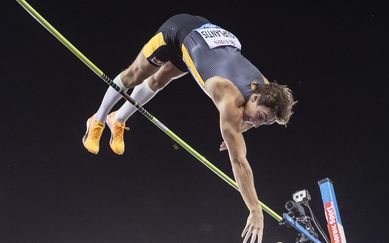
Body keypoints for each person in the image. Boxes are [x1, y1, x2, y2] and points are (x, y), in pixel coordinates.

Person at [82, 14, 296, 243]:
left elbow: (252, 119)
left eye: (267, 122)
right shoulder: (229, 98)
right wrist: (255, 209)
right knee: (135, 76)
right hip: (177, 31)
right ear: (254, 97)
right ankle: (98, 119)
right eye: (261, 117)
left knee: (158, 81)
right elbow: (239, 162)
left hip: (207, 43)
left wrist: (241, 129)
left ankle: (118, 120)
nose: (258, 123)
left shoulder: (265, 89)